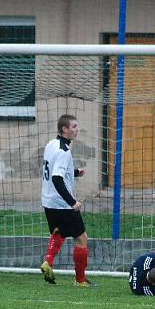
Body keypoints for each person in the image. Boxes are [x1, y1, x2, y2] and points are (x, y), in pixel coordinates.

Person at [39, 114, 93, 287]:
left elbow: (55, 169)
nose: (77, 130)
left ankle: (48, 261)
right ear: (64, 129)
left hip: (48, 200)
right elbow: (57, 178)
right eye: (74, 127)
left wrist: (75, 172)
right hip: (62, 203)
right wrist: (72, 202)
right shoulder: (63, 151)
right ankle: (80, 280)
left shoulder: (51, 144)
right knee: (81, 238)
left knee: (58, 232)